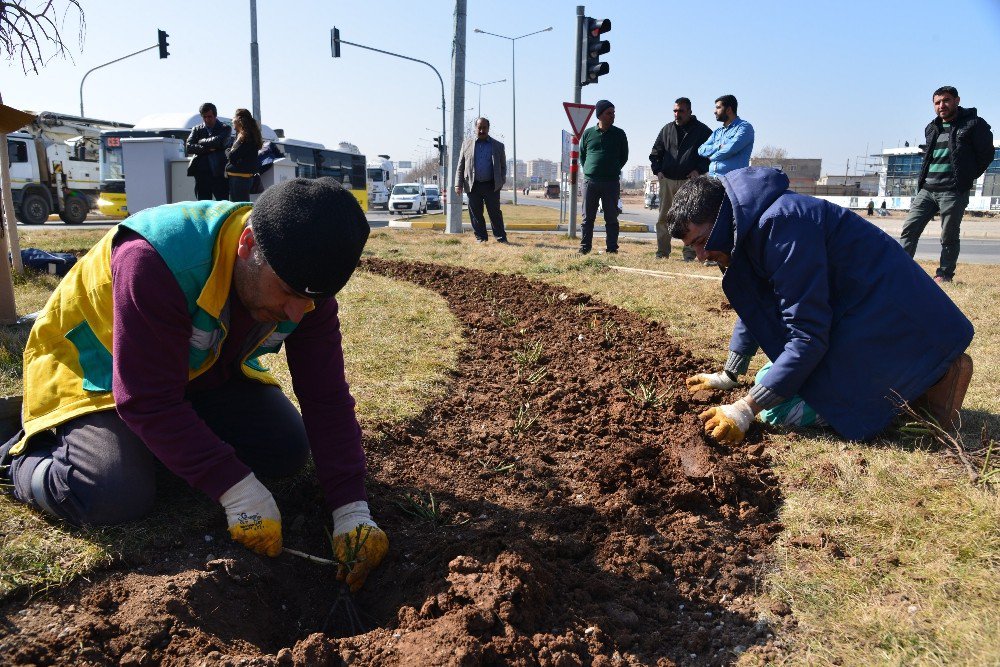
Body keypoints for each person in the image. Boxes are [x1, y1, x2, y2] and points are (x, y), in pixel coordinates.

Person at [0, 178, 387, 592]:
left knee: (286, 449)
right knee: (114, 493)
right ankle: (16, 453)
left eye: (311, 301)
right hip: (95, 371)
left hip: (194, 372)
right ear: (248, 244)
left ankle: (152, 447)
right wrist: (234, 488)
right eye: (289, 293)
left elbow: (325, 397)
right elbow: (147, 400)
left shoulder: (305, 283)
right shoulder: (154, 259)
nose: (296, 311)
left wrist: (352, 508)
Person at [667, 168, 973, 444]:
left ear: (721, 219)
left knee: (777, 413)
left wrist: (746, 409)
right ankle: (914, 384)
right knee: (767, 380)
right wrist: (729, 374)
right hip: (860, 319)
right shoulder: (753, 224)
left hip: (897, 325)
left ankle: (937, 375)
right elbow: (758, 302)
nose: (701, 255)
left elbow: (809, 334)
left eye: (701, 240)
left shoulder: (781, 225)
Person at [899, 86, 994, 283]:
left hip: (952, 190)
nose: (942, 105)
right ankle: (899, 268)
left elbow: (986, 154)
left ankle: (944, 274)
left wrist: (967, 176)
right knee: (909, 229)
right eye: (937, 102)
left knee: (948, 235)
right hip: (927, 189)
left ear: (957, 100)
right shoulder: (931, 127)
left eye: (946, 100)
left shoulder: (974, 124)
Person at [648, 97, 712, 260]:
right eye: (675, 111)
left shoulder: (702, 131)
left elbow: (710, 155)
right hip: (667, 181)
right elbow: (655, 153)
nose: (677, 114)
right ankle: (662, 253)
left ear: (690, 111)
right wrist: (658, 171)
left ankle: (689, 254)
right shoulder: (666, 130)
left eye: (681, 111)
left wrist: (698, 170)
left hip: (689, 183)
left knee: (690, 218)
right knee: (664, 218)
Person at [578, 99, 629, 254]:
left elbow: (623, 157)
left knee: (611, 218)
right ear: (599, 115)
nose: (612, 116)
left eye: (613, 113)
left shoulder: (619, 134)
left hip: (611, 182)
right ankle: (585, 248)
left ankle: (612, 249)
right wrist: (591, 170)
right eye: (609, 113)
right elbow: (582, 155)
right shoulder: (588, 133)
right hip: (590, 182)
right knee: (588, 218)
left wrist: (611, 169)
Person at [455, 117, 508, 244]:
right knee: (476, 214)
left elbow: (503, 166)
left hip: (492, 185)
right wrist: (458, 184)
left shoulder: (498, 146)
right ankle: (481, 238)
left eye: (484, 128)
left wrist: (501, 181)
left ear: (488, 129)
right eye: (479, 127)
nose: (482, 130)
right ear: (475, 128)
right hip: (473, 185)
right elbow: (460, 166)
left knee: (495, 213)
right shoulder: (466, 144)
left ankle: (501, 237)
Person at [697, 95, 754, 176]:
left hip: (733, 181)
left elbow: (730, 149)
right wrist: (717, 147)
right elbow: (701, 149)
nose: (715, 111)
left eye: (718, 107)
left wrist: (711, 157)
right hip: (713, 180)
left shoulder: (744, 127)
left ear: (728, 110)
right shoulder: (718, 132)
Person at [186, 102, 232, 201]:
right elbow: (189, 147)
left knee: (222, 205)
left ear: (215, 115)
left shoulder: (225, 128)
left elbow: (219, 142)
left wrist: (201, 142)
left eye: (209, 117)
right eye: (204, 117)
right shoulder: (197, 129)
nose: (207, 119)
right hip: (201, 175)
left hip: (219, 174)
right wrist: (208, 148)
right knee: (202, 206)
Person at [226, 108, 264, 202]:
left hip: (240, 178)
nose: (232, 121)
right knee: (238, 206)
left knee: (240, 207)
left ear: (238, 120)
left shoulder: (246, 137)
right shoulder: (246, 135)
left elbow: (233, 156)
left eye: (234, 118)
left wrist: (228, 152)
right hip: (240, 177)